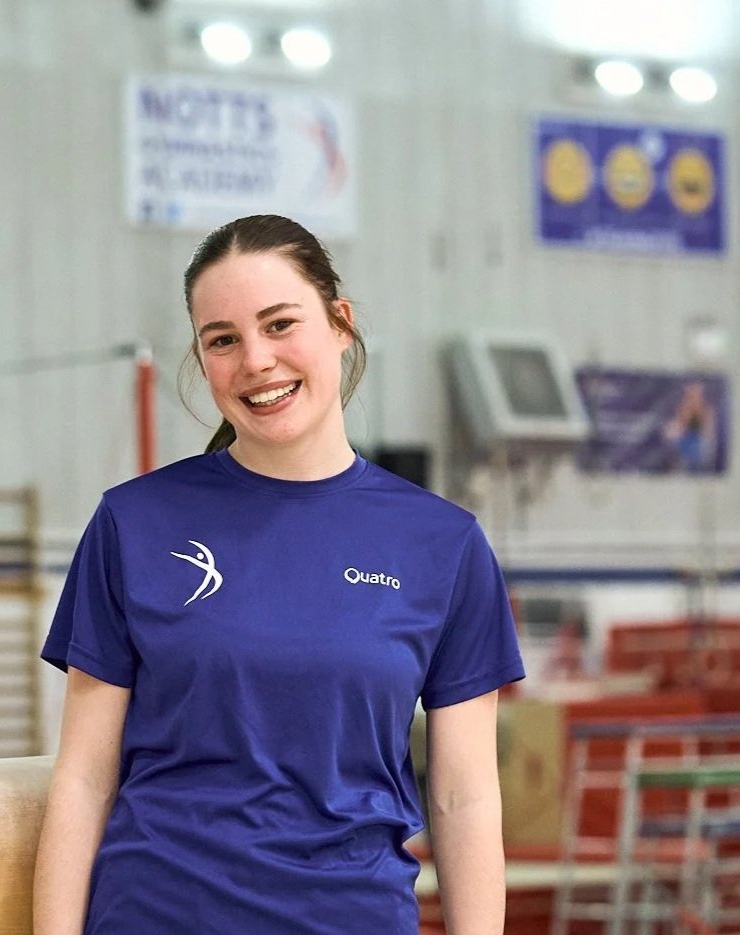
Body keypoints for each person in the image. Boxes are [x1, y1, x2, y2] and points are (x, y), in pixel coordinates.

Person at [33, 214, 525, 934]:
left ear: (340, 324)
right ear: (202, 361)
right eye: (223, 339)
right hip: (157, 913)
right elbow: (82, 777)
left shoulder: (440, 544)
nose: (256, 360)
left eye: (280, 324)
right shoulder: (134, 524)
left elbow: (464, 795)